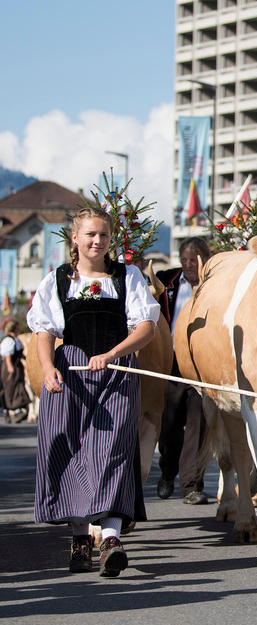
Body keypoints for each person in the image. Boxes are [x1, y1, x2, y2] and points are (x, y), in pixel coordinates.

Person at [27, 207, 160, 577]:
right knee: (69, 449)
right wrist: (48, 368)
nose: (97, 241)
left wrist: (113, 353)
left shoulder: (127, 276)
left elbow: (146, 327)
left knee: (113, 449)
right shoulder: (57, 280)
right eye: (89, 235)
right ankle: (80, 538)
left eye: (103, 235)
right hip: (70, 371)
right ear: (75, 238)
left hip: (116, 372)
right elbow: (44, 332)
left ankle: (112, 539)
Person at [156, 237, 211, 504]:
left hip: (202, 364)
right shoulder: (166, 280)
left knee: (197, 426)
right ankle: (167, 471)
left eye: (195, 259)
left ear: (204, 259)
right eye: (185, 260)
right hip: (172, 363)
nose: (189, 265)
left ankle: (191, 484)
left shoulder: (214, 286)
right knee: (169, 425)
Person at [0, 319, 30, 422]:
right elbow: (7, 356)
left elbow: (19, 354)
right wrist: (10, 367)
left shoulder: (16, 339)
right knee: (10, 388)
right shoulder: (8, 340)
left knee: (19, 387)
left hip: (17, 368)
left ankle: (19, 410)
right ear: (14, 327)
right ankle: (9, 411)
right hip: (11, 367)